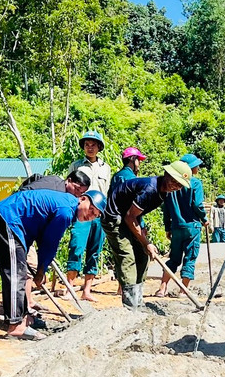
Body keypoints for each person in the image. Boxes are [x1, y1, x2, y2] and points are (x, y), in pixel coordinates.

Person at [0, 188, 103, 340]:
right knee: (16, 274)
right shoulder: (65, 211)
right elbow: (49, 243)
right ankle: (15, 326)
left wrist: (41, 269)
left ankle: (23, 318)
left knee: (19, 271)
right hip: (6, 219)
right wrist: (40, 272)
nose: (90, 215)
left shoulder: (67, 206)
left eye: (95, 215)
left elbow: (42, 235)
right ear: (82, 199)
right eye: (91, 209)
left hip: (11, 222)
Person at [103, 159, 191, 309]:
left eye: (179, 185)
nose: (176, 186)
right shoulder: (150, 188)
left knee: (143, 256)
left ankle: (137, 300)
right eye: (174, 181)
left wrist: (143, 236)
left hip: (128, 218)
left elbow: (136, 214)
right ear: (167, 174)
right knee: (127, 257)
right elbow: (129, 216)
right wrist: (147, 242)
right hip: (114, 219)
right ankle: (131, 305)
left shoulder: (164, 193)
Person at [65, 131, 114, 302]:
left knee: (94, 251)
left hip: (99, 215)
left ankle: (87, 290)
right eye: (87, 144)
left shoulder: (106, 168)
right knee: (77, 246)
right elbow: (69, 189)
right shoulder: (76, 166)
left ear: (99, 147)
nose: (90, 147)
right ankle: (69, 288)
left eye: (93, 144)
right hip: (81, 213)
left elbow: (107, 192)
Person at [157, 154, 205, 298]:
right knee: (190, 258)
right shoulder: (195, 183)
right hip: (192, 226)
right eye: (196, 165)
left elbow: (166, 208)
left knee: (173, 258)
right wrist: (204, 218)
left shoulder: (170, 184)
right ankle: (183, 290)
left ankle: (162, 288)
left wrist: (167, 227)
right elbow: (197, 204)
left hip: (176, 226)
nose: (198, 167)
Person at [19, 170, 90, 196]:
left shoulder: (55, 179)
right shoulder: (57, 192)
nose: (77, 195)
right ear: (69, 181)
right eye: (77, 189)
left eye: (81, 193)